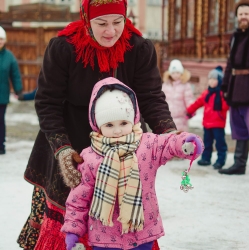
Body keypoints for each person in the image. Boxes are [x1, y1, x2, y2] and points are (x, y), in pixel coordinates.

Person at [17, 1, 178, 249]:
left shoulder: (139, 49)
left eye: (117, 22)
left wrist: (170, 134)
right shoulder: (63, 48)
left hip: (123, 153)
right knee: (72, 216)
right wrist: (62, 149)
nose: (110, 31)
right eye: (101, 23)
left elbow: (151, 97)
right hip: (72, 145)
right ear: (86, 19)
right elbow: (48, 102)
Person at [61, 77, 204, 250]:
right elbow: (79, 198)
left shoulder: (147, 145)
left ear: (133, 119)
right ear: (97, 125)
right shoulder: (90, 157)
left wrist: (186, 144)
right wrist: (72, 231)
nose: (118, 130)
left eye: (123, 123)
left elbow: (168, 143)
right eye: (109, 125)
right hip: (104, 237)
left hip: (142, 234)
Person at [219, 0, 249, 175]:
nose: (244, 17)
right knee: (239, 129)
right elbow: (230, 63)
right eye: (241, 14)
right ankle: (239, 163)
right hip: (235, 87)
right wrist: (225, 85)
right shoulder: (235, 37)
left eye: (246, 14)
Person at [186, 66, 229, 169]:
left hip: (218, 124)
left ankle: (220, 160)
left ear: (219, 81)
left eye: (214, 79)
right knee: (207, 142)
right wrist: (189, 110)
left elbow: (226, 106)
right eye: (210, 79)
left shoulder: (222, 94)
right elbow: (198, 103)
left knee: (220, 143)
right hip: (207, 124)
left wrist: (226, 97)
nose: (211, 81)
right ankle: (206, 158)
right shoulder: (207, 93)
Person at [0, 26, 23, 155]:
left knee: (0, 121)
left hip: (2, 95)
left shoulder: (9, 57)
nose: (0, 41)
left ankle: (1, 145)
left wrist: (18, 90)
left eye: (1, 39)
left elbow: (15, 74)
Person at [162, 59, 194, 132]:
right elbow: (162, 99)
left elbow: (189, 99)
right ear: (170, 73)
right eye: (173, 73)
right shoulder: (165, 85)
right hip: (168, 118)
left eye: (177, 72)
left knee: (180, 138)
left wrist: (191, 110)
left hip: (181, 118)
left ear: (181, 73)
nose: (175, 75)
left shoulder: (185, 85)